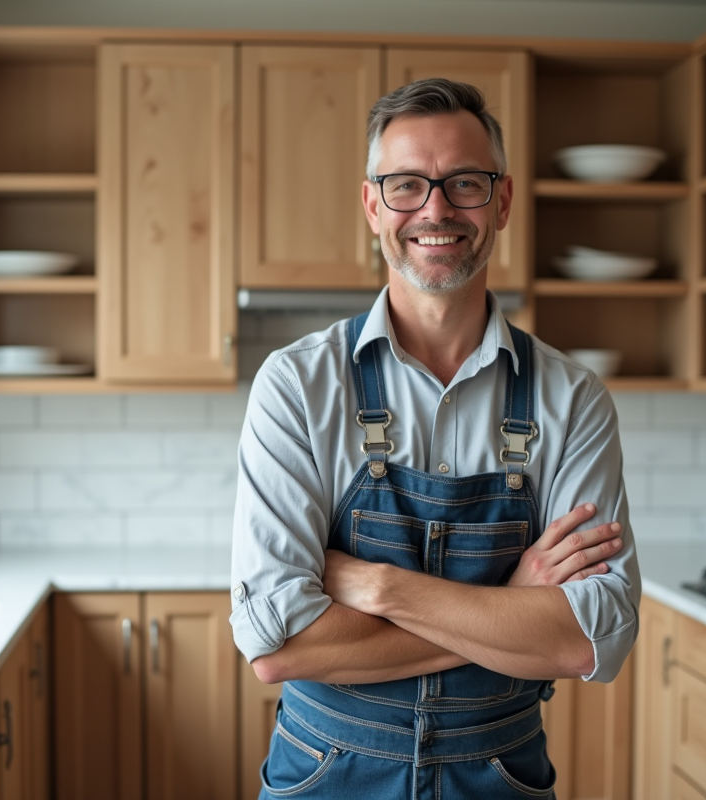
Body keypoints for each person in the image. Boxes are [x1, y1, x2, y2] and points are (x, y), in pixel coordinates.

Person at [229, 78, 640, 799]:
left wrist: (376, 585)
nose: (437, 209)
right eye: (407, 185)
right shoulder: (295, 385)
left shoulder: (573, 400)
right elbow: (277, 646)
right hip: (326, 774)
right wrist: (510, 604)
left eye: (465, 183)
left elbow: (589, 640)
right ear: (372, 205)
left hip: (501, 777)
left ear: (503, 200)